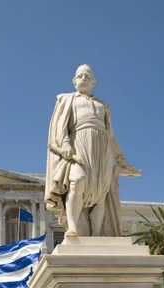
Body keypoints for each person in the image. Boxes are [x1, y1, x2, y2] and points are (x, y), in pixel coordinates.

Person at [45, 64, 139, 237]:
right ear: (74, 81)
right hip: (79, 144)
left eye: (87, 76)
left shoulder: (103, 105)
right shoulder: (67, 100)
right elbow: (60, 127)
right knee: (77, 180)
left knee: (101, 192)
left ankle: (96, 234)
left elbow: (110, 135)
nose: (83, 78)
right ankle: (73, 227)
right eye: (79, 76)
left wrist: (119, 158)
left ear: (94, 82)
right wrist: (65, 144)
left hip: (101, 150)